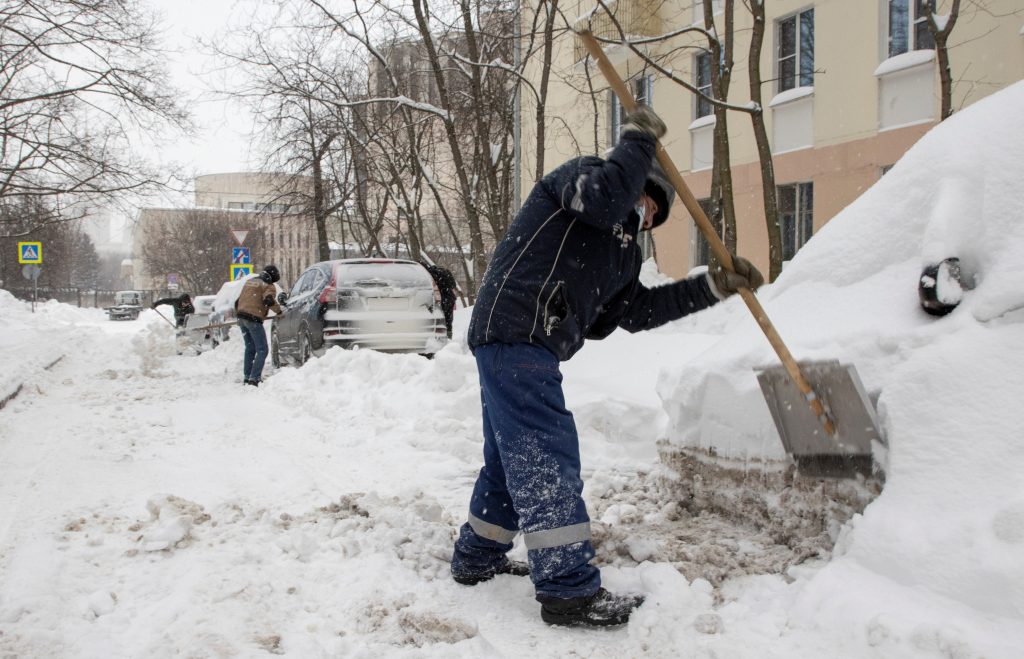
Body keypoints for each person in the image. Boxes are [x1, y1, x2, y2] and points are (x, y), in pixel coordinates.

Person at [449, 105, 764, 627]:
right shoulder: (578, 183)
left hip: (528, 344)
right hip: (515, 328)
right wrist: (639, 140)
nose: (643, 213)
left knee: (511, 460)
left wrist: (713, 287)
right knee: (546, 455)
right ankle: (568, 589)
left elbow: (637, 312)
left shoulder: (624, 255)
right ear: (627, 175)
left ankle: (476, 557)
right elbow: (603, 199)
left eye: (654, 212)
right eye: (642, 197)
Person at [235, 264, 284, 386]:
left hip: (241, 317)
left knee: (250, 347)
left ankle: (247, 376)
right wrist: (280, 311)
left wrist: (241, 312)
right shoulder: (268, 285)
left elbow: (237, 301)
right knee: (262, 350)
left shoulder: (250, 281)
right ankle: (254, 378)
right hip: (253, 319)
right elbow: (269, 300)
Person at [421, 261, 458, 338]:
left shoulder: (428, 276)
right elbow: (453, 285)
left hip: (441, 299)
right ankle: (448, 337)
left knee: (437, 321)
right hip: (450, 298)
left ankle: (438, 339)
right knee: (448, 320)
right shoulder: (442, 271)